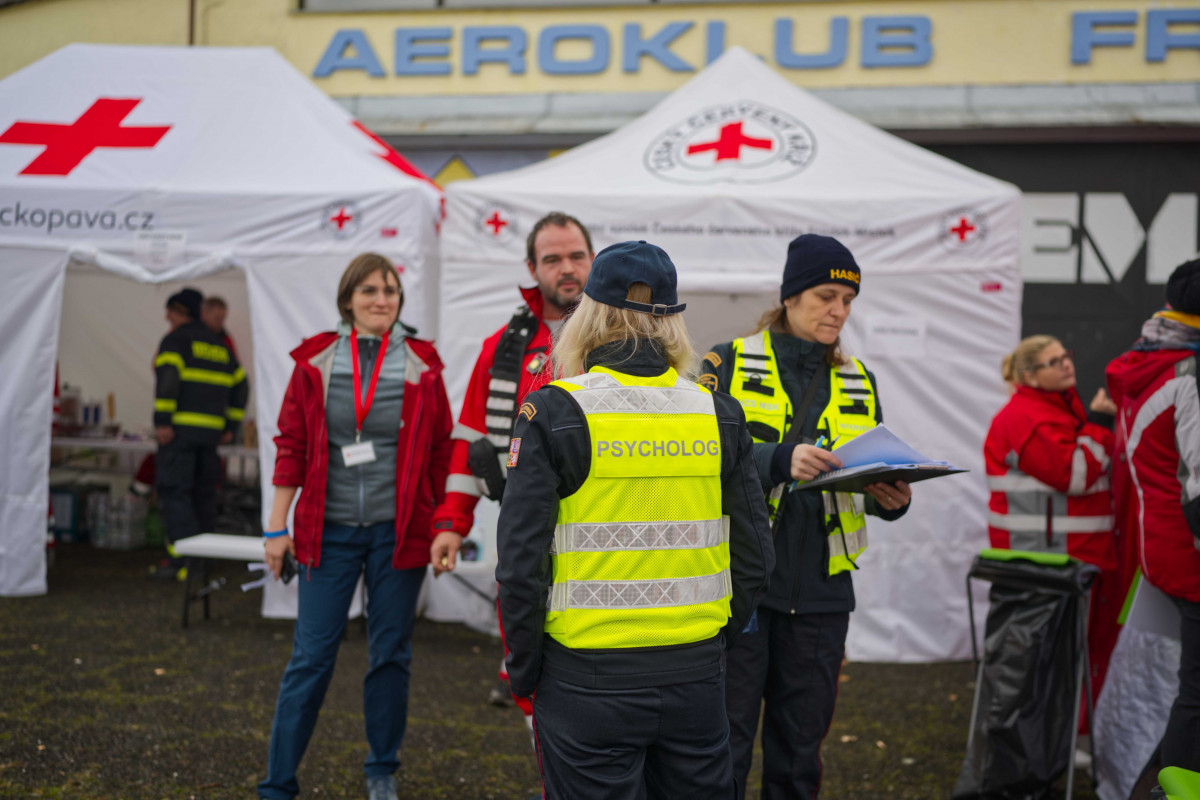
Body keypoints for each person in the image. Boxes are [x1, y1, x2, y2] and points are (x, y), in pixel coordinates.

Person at [496, 240, 774, 799]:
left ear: (589, 316)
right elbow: (755, 557)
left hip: (585, 681)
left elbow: (521, 568)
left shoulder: (554, 411)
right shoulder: (717, 413)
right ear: (672, 323)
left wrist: (525, 674)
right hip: (694, 676)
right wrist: (711, 646)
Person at [699, 234, 912, 799]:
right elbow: (696, 456)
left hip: (822, 594)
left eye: (847, 300)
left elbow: (868, 472)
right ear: (790, 296)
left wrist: (889, 498)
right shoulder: (726, 361)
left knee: (800, 756)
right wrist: (776, 460)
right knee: (725, 743)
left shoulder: (858, 379)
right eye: (825, 296)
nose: (838, 311)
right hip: (740, 589)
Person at [257, 254, 454, 800]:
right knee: (311, 659)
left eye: (390, 290)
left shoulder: (423, 364)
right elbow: (290, 447)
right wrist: (277, 529)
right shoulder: (315, 361)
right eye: (369, 290)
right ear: (348, 299)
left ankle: (381, 769)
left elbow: (441, 452)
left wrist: (443, 523)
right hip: (328, 532)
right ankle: (277, 784)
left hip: (400, 535)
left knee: (390, 655)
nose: (381, 299)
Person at [430, 211, 594, 728]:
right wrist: (451, 524)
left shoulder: (622, 338)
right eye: (552, 260)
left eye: (576, 256)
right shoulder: (502, 349)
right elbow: (471, 440)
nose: (566, 269)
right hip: (527, 532)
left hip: (604, 531)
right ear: (532, 267)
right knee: (531, 666)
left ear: (593, 259)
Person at [984, 334, 1121, 701]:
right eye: (1053, 361)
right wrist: (1099, 423)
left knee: (1068, 662)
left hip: (1066, 559)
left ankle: (1064, 744)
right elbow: (1074, 475)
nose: (1066, 364)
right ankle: (1054, 750)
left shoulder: (1055, 409)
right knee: (1051, 669)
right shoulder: (1027, 418)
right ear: (1029, 376)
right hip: (1046, 564)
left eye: (1066, 355)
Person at [1106, 257, 1200, 774]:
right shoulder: (1189, 369)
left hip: (1162, 546)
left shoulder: (1151, 357)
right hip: (1189, 550)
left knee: (1190, 689)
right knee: (1196, 693)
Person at [152, 287, 248, 580]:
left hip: (179, 434)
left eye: (172, 310)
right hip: (210, 438)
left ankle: (184, 561)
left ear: (184, 312)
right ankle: (203, 559)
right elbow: (242, 387)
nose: (167, 316)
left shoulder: (176, 340)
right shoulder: (222, 346)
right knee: (203, 496)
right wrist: (229, 427)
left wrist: (163, 422)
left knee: (175, 493)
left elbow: (167, 382)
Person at [201, 295, 239, 362]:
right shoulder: (193, 337)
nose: (220, 323)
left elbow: (234, 364)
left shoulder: (226, 340)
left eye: (222, 319)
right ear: (204, 313)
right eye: (217, 318)